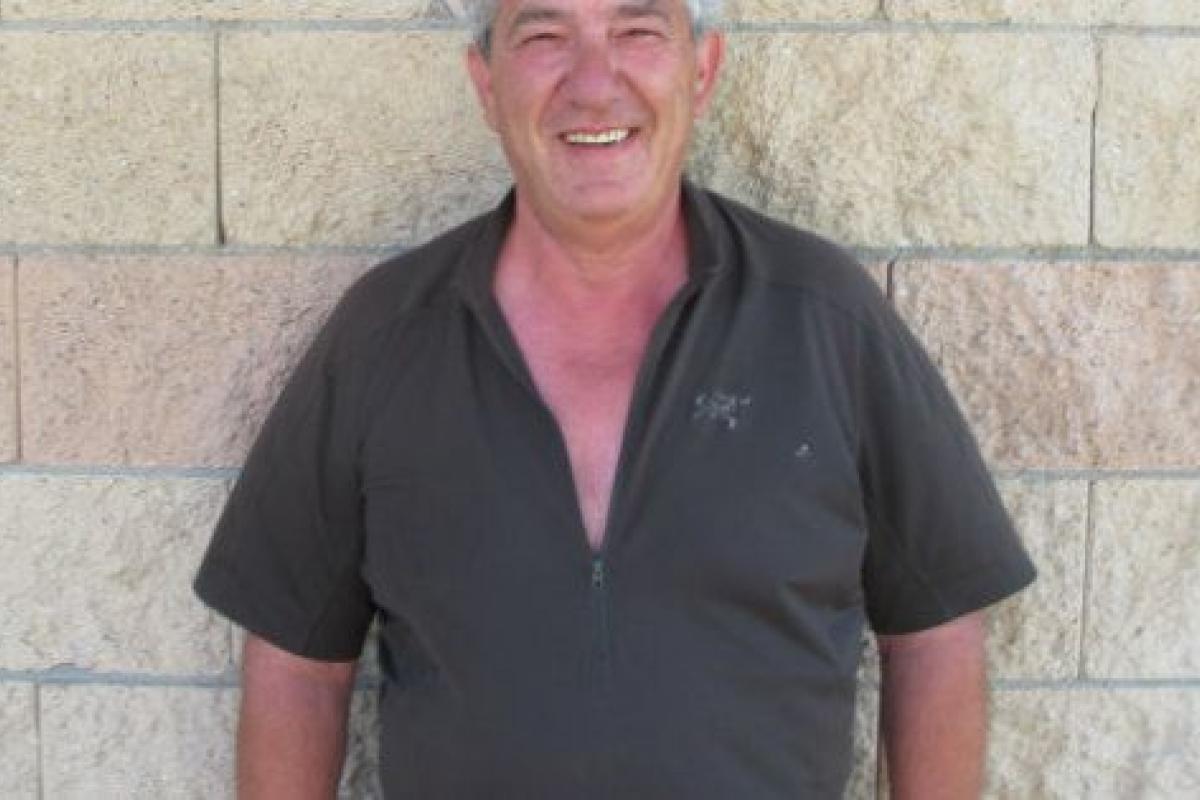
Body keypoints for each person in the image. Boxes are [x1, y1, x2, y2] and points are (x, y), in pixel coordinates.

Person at [194, 0, 1036, 797]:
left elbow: (937, 631)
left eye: (638, 30)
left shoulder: (824, 320)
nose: (594, 85)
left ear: (702, 69)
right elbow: (297, 665)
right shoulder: (385, 336)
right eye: (544, 36)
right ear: (485, 83)